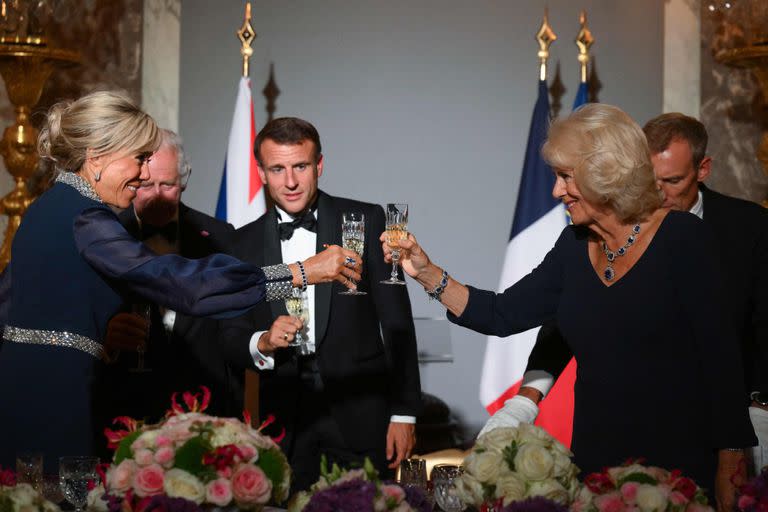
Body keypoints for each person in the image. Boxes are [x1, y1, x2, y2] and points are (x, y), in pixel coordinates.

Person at [383, 104, 756, 510]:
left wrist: (731, 464)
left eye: (565, 177)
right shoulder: (573, 247)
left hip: (678, 465)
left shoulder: (684, 238)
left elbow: (722, 360)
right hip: (596, 464)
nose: (557, 191)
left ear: (605, 173)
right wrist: (425, 272)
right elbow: (502, 313)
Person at [0, 91, 361, 472]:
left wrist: (94, 336)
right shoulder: (88, 218)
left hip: (19, 393)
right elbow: (177, 282)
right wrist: (299, 273)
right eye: (139, 159)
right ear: (97, 156)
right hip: (60, 397)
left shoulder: (44, 208)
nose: (143, 176)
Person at [496, 113, 768, 479]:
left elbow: (746, 333)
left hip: (711, 428)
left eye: (672, 181)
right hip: (610, 438)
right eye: (649, 179)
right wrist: (527, 398)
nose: (657, 193)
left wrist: (752, 414)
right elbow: (568, 317)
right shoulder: (595, 238)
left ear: (702, 169)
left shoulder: (744, 227)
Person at [219, 117, 422, 493]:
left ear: (319, 166)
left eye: (300, 166)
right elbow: (229, 334)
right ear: (261, 173)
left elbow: (397, 322)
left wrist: (404, 411)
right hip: (282, 425)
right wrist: (261, 341)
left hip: (362, 413)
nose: (290, 181)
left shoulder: (366, 219)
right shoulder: (240, 243)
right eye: (277, 169)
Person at [98, 129, 242, 430]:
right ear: (132, 180)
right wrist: (104, 342)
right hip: (123, 412)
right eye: (147, 185)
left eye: (168, 185)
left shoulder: (220, 236)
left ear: (184, 182)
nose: (157, 196)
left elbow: (234, 324)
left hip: (205, 411)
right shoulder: (103, 236)